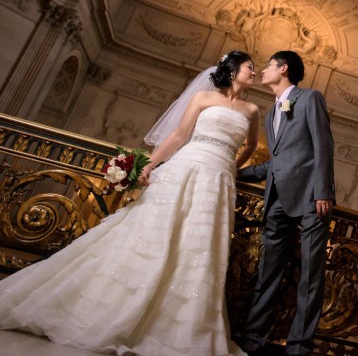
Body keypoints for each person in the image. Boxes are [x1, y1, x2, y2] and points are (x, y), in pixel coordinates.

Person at [0, 51, 261, 356]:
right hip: (188, 165)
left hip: (219, 179)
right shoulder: (203, 97)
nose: (254, 73)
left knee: (199, 245)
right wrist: (149, 165)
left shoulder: (252, 109)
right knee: (152, 232)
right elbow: (179, 134)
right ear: (232, 70)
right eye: (249, 68)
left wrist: (230, 165)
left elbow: (252, 146)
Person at [233, 50, 335, 356]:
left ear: (284, 68)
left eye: (268, 66)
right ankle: (252, 340)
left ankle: (299, 347)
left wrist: (324, 192)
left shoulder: (310, 98)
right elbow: (275, 164)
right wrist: (235, 171)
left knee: (310, 276)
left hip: (311, 200)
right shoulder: (269, 113)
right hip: (276, 200)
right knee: (268, 272)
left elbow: (323, 145)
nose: (263, 71)